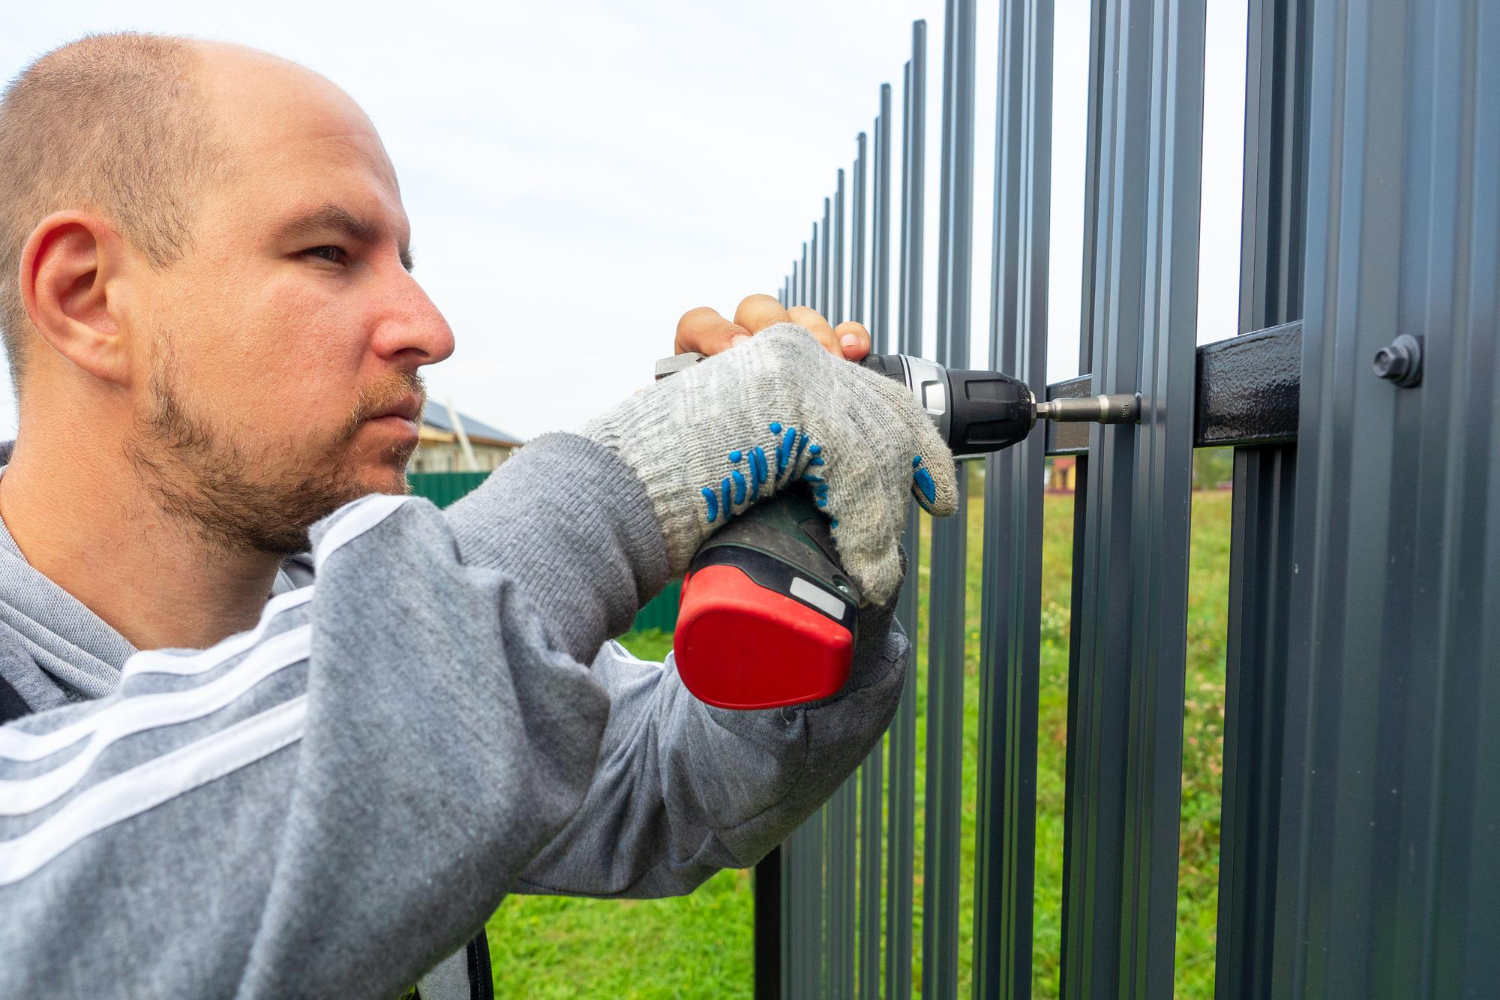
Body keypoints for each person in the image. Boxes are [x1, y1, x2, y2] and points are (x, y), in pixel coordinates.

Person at [0, 33, 957, 999]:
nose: (430, 329)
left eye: (403, 261)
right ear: (86, 297)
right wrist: (625, 488)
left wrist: (805, 544)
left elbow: (669, 785)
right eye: (330, 252)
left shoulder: (334, 597)